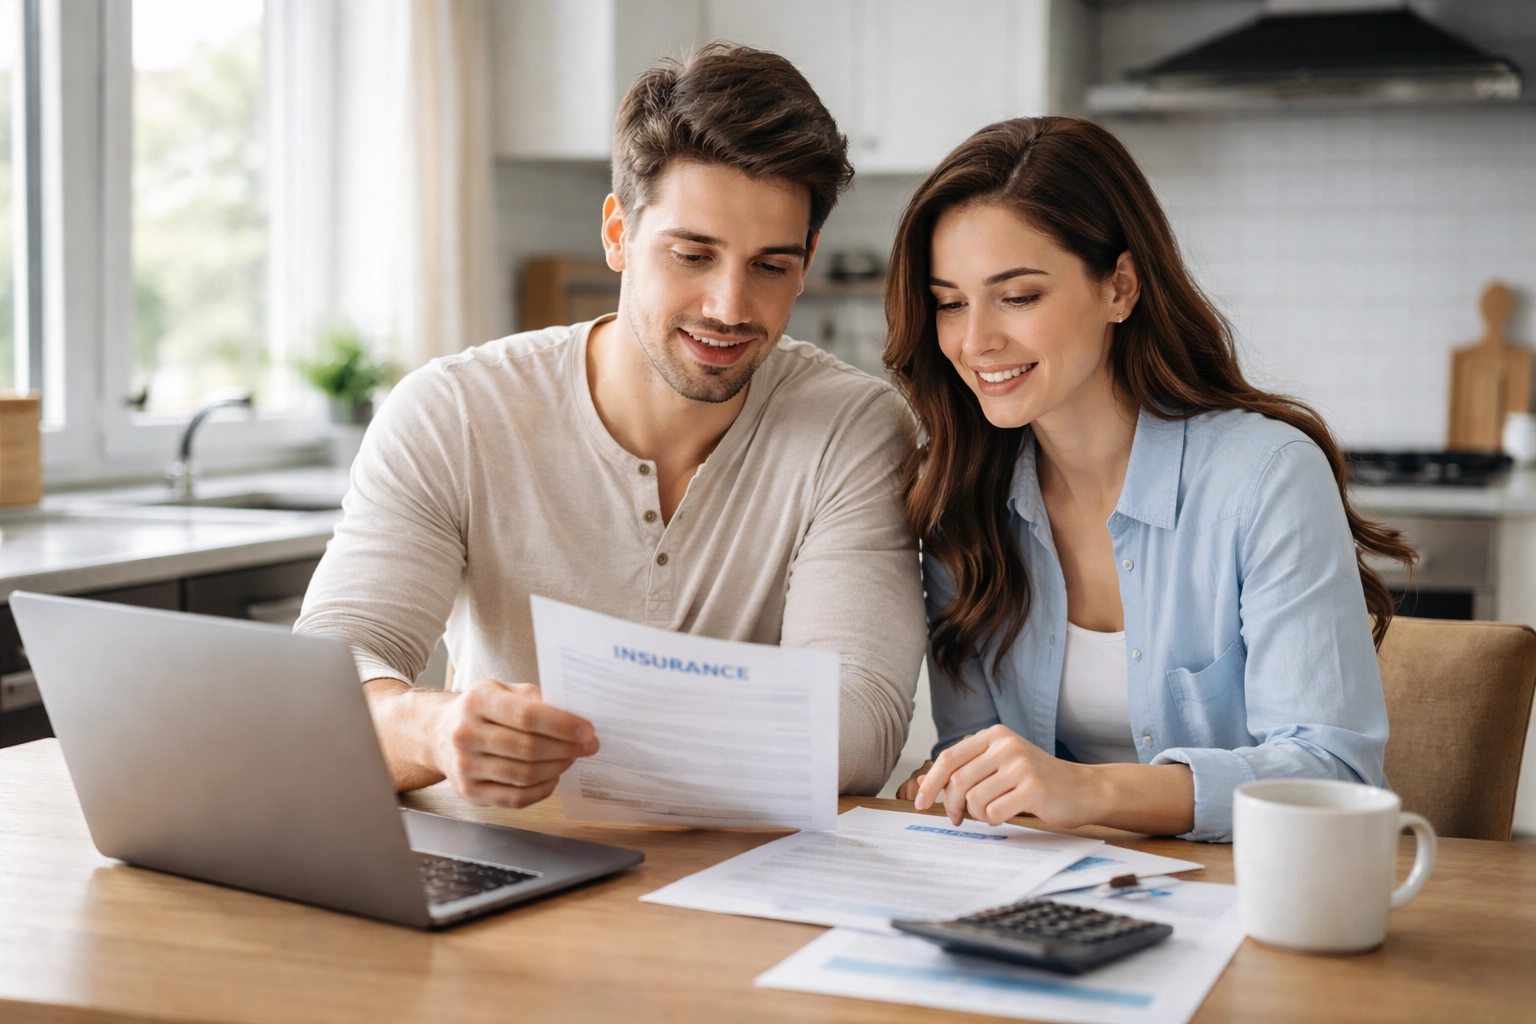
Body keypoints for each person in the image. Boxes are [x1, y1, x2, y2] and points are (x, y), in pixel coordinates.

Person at [295, 43, 926, 808]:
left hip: (743, 887)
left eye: (770, 266)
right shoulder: (451, 411)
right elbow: (326, 684)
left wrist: (577, 730)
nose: (730, 307)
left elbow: (857, 732)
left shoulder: (853, 428)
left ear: (809, 257)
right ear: (618, 233)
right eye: (692, 254)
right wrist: (430, 729)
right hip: (516, 864)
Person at [887, 117, 1413, 842]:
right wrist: (957, 783)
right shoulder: (961, 501)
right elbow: (976, 757)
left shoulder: (1265, 478)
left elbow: (1335, 773)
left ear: (1121, 288)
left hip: (1246, 902)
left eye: (1018, 296)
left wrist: (1090, 790)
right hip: (1056, 900)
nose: (975, 340)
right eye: (950, 301)